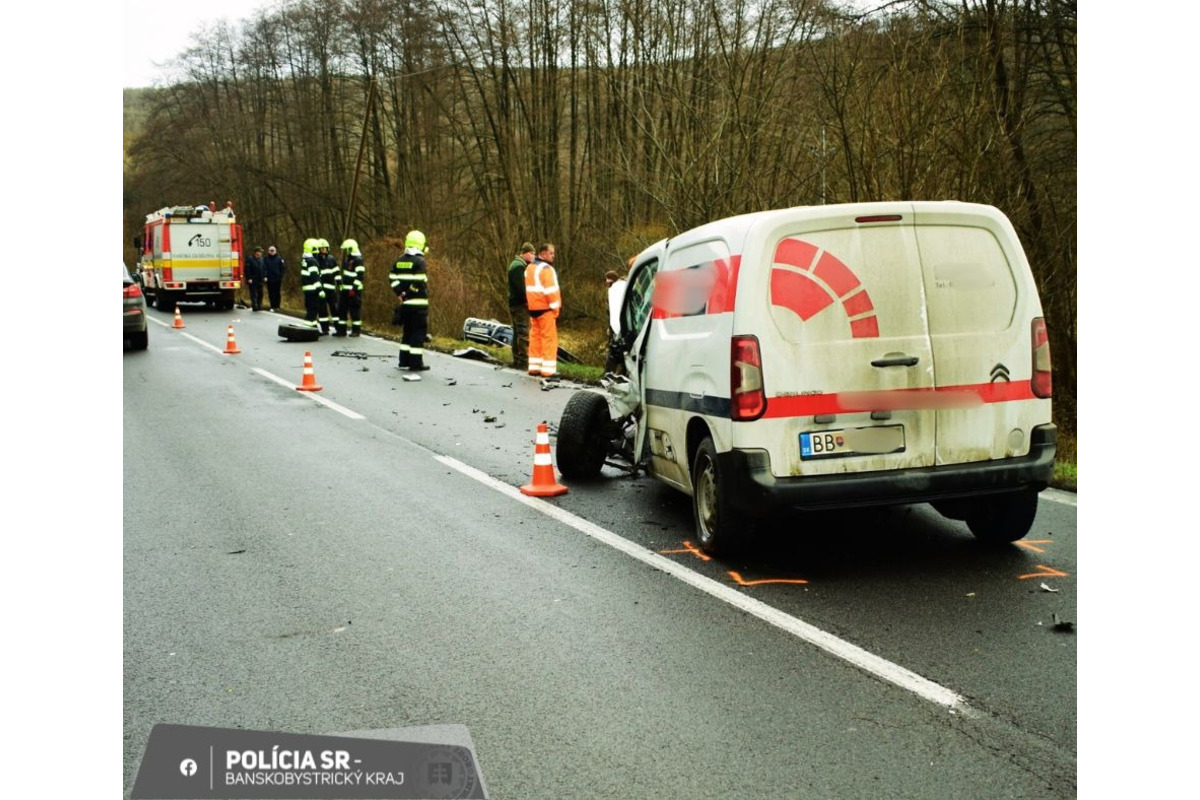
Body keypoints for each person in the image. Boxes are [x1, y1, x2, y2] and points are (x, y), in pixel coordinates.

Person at [390, 230, 430, 372]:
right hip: (418, 305)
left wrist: (399, 293)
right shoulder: (420, 261)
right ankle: (415, 363)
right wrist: (408, 292)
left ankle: (403, 361)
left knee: (407, 333)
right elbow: (419, 281)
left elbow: (392, 277)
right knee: (418, 334)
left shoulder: (399, 261)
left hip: (405, 305)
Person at [525, 242, 562, 379]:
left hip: (533, 308)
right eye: (551, 253)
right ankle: (548, 370)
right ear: (543, 253)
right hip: (545, 308)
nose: (553, 256)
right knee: (549, 339)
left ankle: (534, 367)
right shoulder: (546, 269)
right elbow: (551, 292)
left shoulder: (530, 267)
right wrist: (555, 308)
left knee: (535, 338)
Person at [507, 243, 535, 369]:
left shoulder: (519, 265)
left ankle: (517, 359)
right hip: (519, 304)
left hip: (515, 303)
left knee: (517, 332)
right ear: (525, 253)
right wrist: (528, 300)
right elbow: (521, 288)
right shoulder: (518, 267)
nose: (533, 256)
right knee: (523, 332)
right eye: (531, 253)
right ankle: (523, 360)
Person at [339, 238, 366, 337]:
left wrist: (354, 289)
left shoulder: (358, 260)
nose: (346, 251)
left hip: (354, 291)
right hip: (345, 290)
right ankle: (341, 331)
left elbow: (360, 276)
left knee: (354, 311)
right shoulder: (349, 259)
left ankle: (356, 331)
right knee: (342, 310)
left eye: (348, 249)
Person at [604, 269, 628, 374]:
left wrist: (612, 326)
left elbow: (614, 311)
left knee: (614, 351)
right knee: (623, 351)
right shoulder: (623, 286)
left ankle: (609, 374)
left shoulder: (614, 291)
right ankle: (620, 373)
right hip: (622, 325)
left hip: (619, 326)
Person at [317, 238, 341, 335]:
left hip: (331, 288)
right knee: (322, 310)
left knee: (334, 309)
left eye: (325, 248)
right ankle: (325, 329)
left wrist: (339, 283)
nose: (324, 250)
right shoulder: (316, 259)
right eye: (322, 248)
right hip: (322, 289)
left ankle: (338, 328)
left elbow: (337, 272)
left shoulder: (331, 259)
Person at [300, 238, 324, 331]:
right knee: (313, 309)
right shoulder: (312, 261)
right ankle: (307, 328)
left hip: (307, 289)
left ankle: (313, 327)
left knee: (310, 308)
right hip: (313, 289)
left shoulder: (305, 260)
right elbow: (315, 277)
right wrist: (320, 290)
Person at [263, 245, 285, 311]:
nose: (272, 252)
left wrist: (281, 276)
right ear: (268, 251)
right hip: (269, 279)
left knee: (277, 293)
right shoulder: (265, 259)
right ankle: (272, 306)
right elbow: (264, 268)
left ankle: (277, 306)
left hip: (277, 279)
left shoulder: (279, 259)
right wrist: (265, 276)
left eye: (273, 250)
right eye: (270, 250)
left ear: (275, 251)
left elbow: (283, 268)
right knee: (271, 293)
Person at [244, 247, 265, 311]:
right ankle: (254, 305)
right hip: (253, 279)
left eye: (261, 252)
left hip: (260, 279)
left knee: (260, 293)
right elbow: (247, 270)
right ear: (256, 252)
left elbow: (264, 269)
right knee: (253, 293)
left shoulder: (261, 260)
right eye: (259, 252)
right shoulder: (250, 259)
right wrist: (249, 278)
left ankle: (259, 304)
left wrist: (265, 276)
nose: (260, 253)